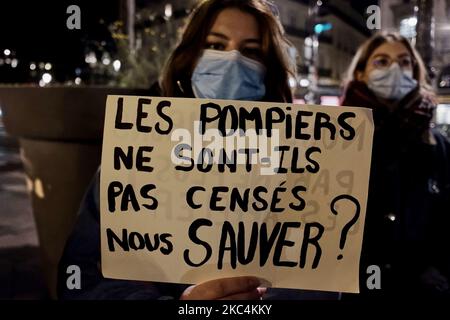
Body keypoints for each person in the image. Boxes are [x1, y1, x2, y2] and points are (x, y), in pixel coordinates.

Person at [57, 0, 337, 300]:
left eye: (252, 51)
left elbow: (322, 282)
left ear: (268, 71)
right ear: (190, 59)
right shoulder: (136, 153)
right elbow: (78, 278)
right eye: (216, 45)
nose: (232, 60)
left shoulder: (300, 162)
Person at [341, 32, 450, 297]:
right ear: (360, 74)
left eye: (404, 62)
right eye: (381, 61)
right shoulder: (337, 139)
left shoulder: (439, 144)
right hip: (352, 287)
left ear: (414, 71)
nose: (394, 69)